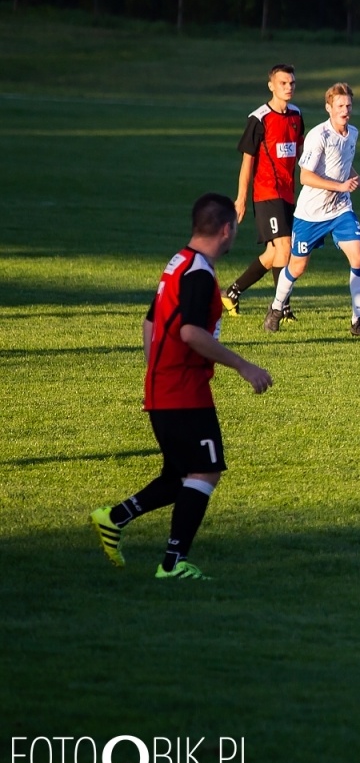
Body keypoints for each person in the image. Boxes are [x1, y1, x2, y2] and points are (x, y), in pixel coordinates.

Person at [90, 193, 274, 580]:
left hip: (165, 387)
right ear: (226, 229)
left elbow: (149, 322)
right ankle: (173, 563)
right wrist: (243, 366)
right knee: (205, 471)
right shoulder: (199, 273)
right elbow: (190, 332)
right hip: (184, 390)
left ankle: (114, 518)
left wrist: (156, 368)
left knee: (180, 475)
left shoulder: (178, 262)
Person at [265, 82, 360, 336]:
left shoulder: (352, 133)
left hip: (340, 210)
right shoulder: (319, 136)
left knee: (359, 257)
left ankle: (357, 321)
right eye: (340, 105)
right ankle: (276, 308)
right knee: (297, 267)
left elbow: (345, 165)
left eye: (348, 105)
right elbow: (305, 176)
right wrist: (340, 186)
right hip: (310, 214)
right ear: (328, 108)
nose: (345, 110)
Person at [223, 65, 304, 319]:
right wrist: (241, 199)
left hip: (288, 194)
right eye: (283, 83)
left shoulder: (296, 115)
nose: (288, 87)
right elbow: (247, 162)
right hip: (267, 193)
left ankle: (232, 292)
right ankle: (282, 308)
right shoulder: (259, 119)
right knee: (285, 247)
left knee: (273, 254)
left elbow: (300, 154)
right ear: (271, 86)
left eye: (291, 83)